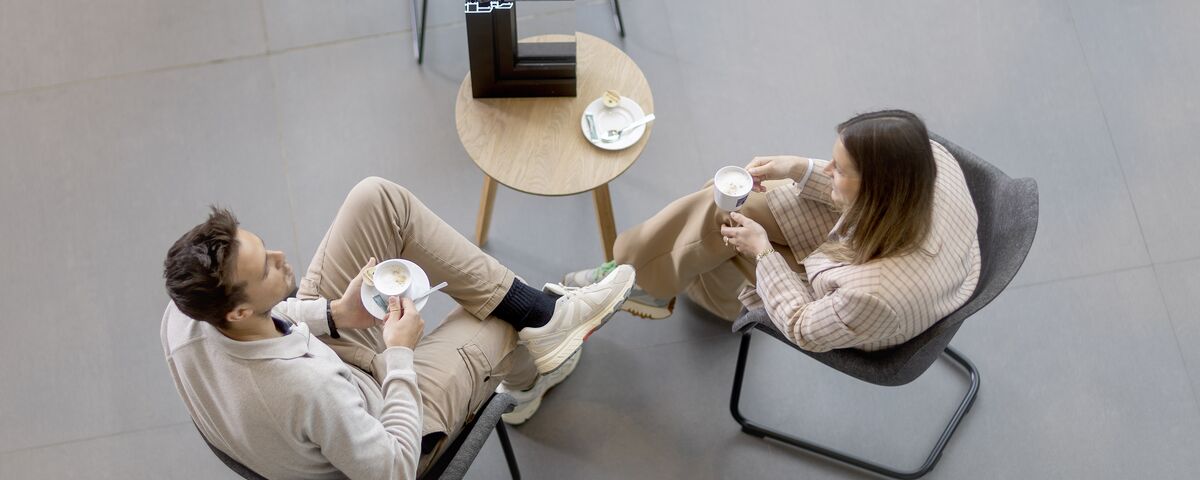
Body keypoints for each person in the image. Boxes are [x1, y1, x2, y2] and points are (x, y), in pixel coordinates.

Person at [160, 177, 635, 479]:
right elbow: (392, 470)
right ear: (238, 312)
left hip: (323, 375)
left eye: (265, 249)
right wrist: (401, 354)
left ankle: (542, 318)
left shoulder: (183, 313)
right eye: (265, 270)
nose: (282, 260)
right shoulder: (309, 391)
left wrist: (331, 315)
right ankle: (529, 378)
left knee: (378, 200)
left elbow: (269, 325)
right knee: (495, 319)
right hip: (384, 433)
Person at [564, 110, 980, 352]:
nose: (827, 169)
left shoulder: (872, 296)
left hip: (850, 305)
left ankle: (633, 278)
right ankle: (643, 277)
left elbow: (802, 325)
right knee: (725, 203)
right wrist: (799, 167)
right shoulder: (930, 163)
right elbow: (857, 193)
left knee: (728, 229)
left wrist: (763, 252)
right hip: (875, 243)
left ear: (876, 191)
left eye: (839, 170)